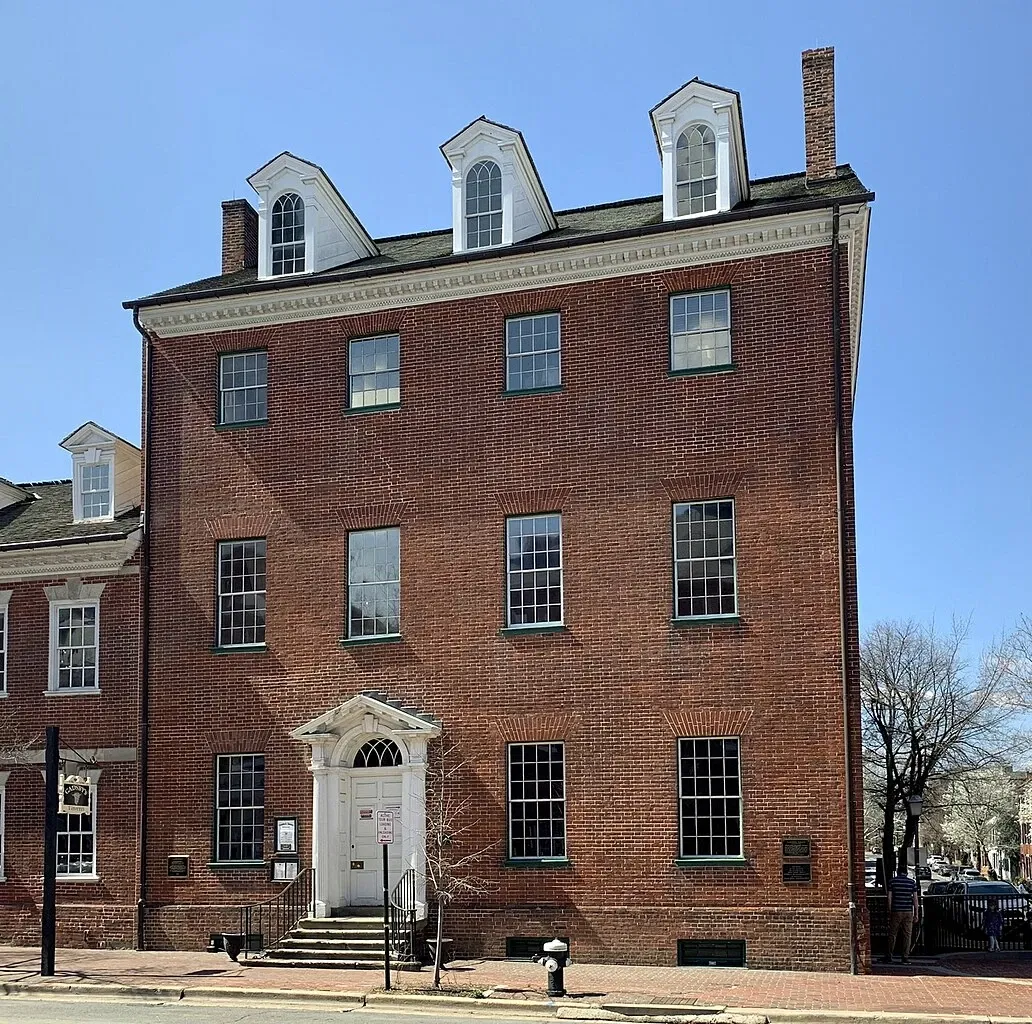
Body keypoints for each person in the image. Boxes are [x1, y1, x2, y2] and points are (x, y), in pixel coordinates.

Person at [881, 865, 919, 964]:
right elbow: (915, 899)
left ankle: (889, 955)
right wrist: (916, 913)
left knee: (893, 934)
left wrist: (889, 910)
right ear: (906, 873)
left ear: (897, 872)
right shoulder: (912, 883)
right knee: (907, 935)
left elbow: (889, 897)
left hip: (896, 910)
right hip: (908, 911)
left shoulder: (892, 882)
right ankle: (905, 957)